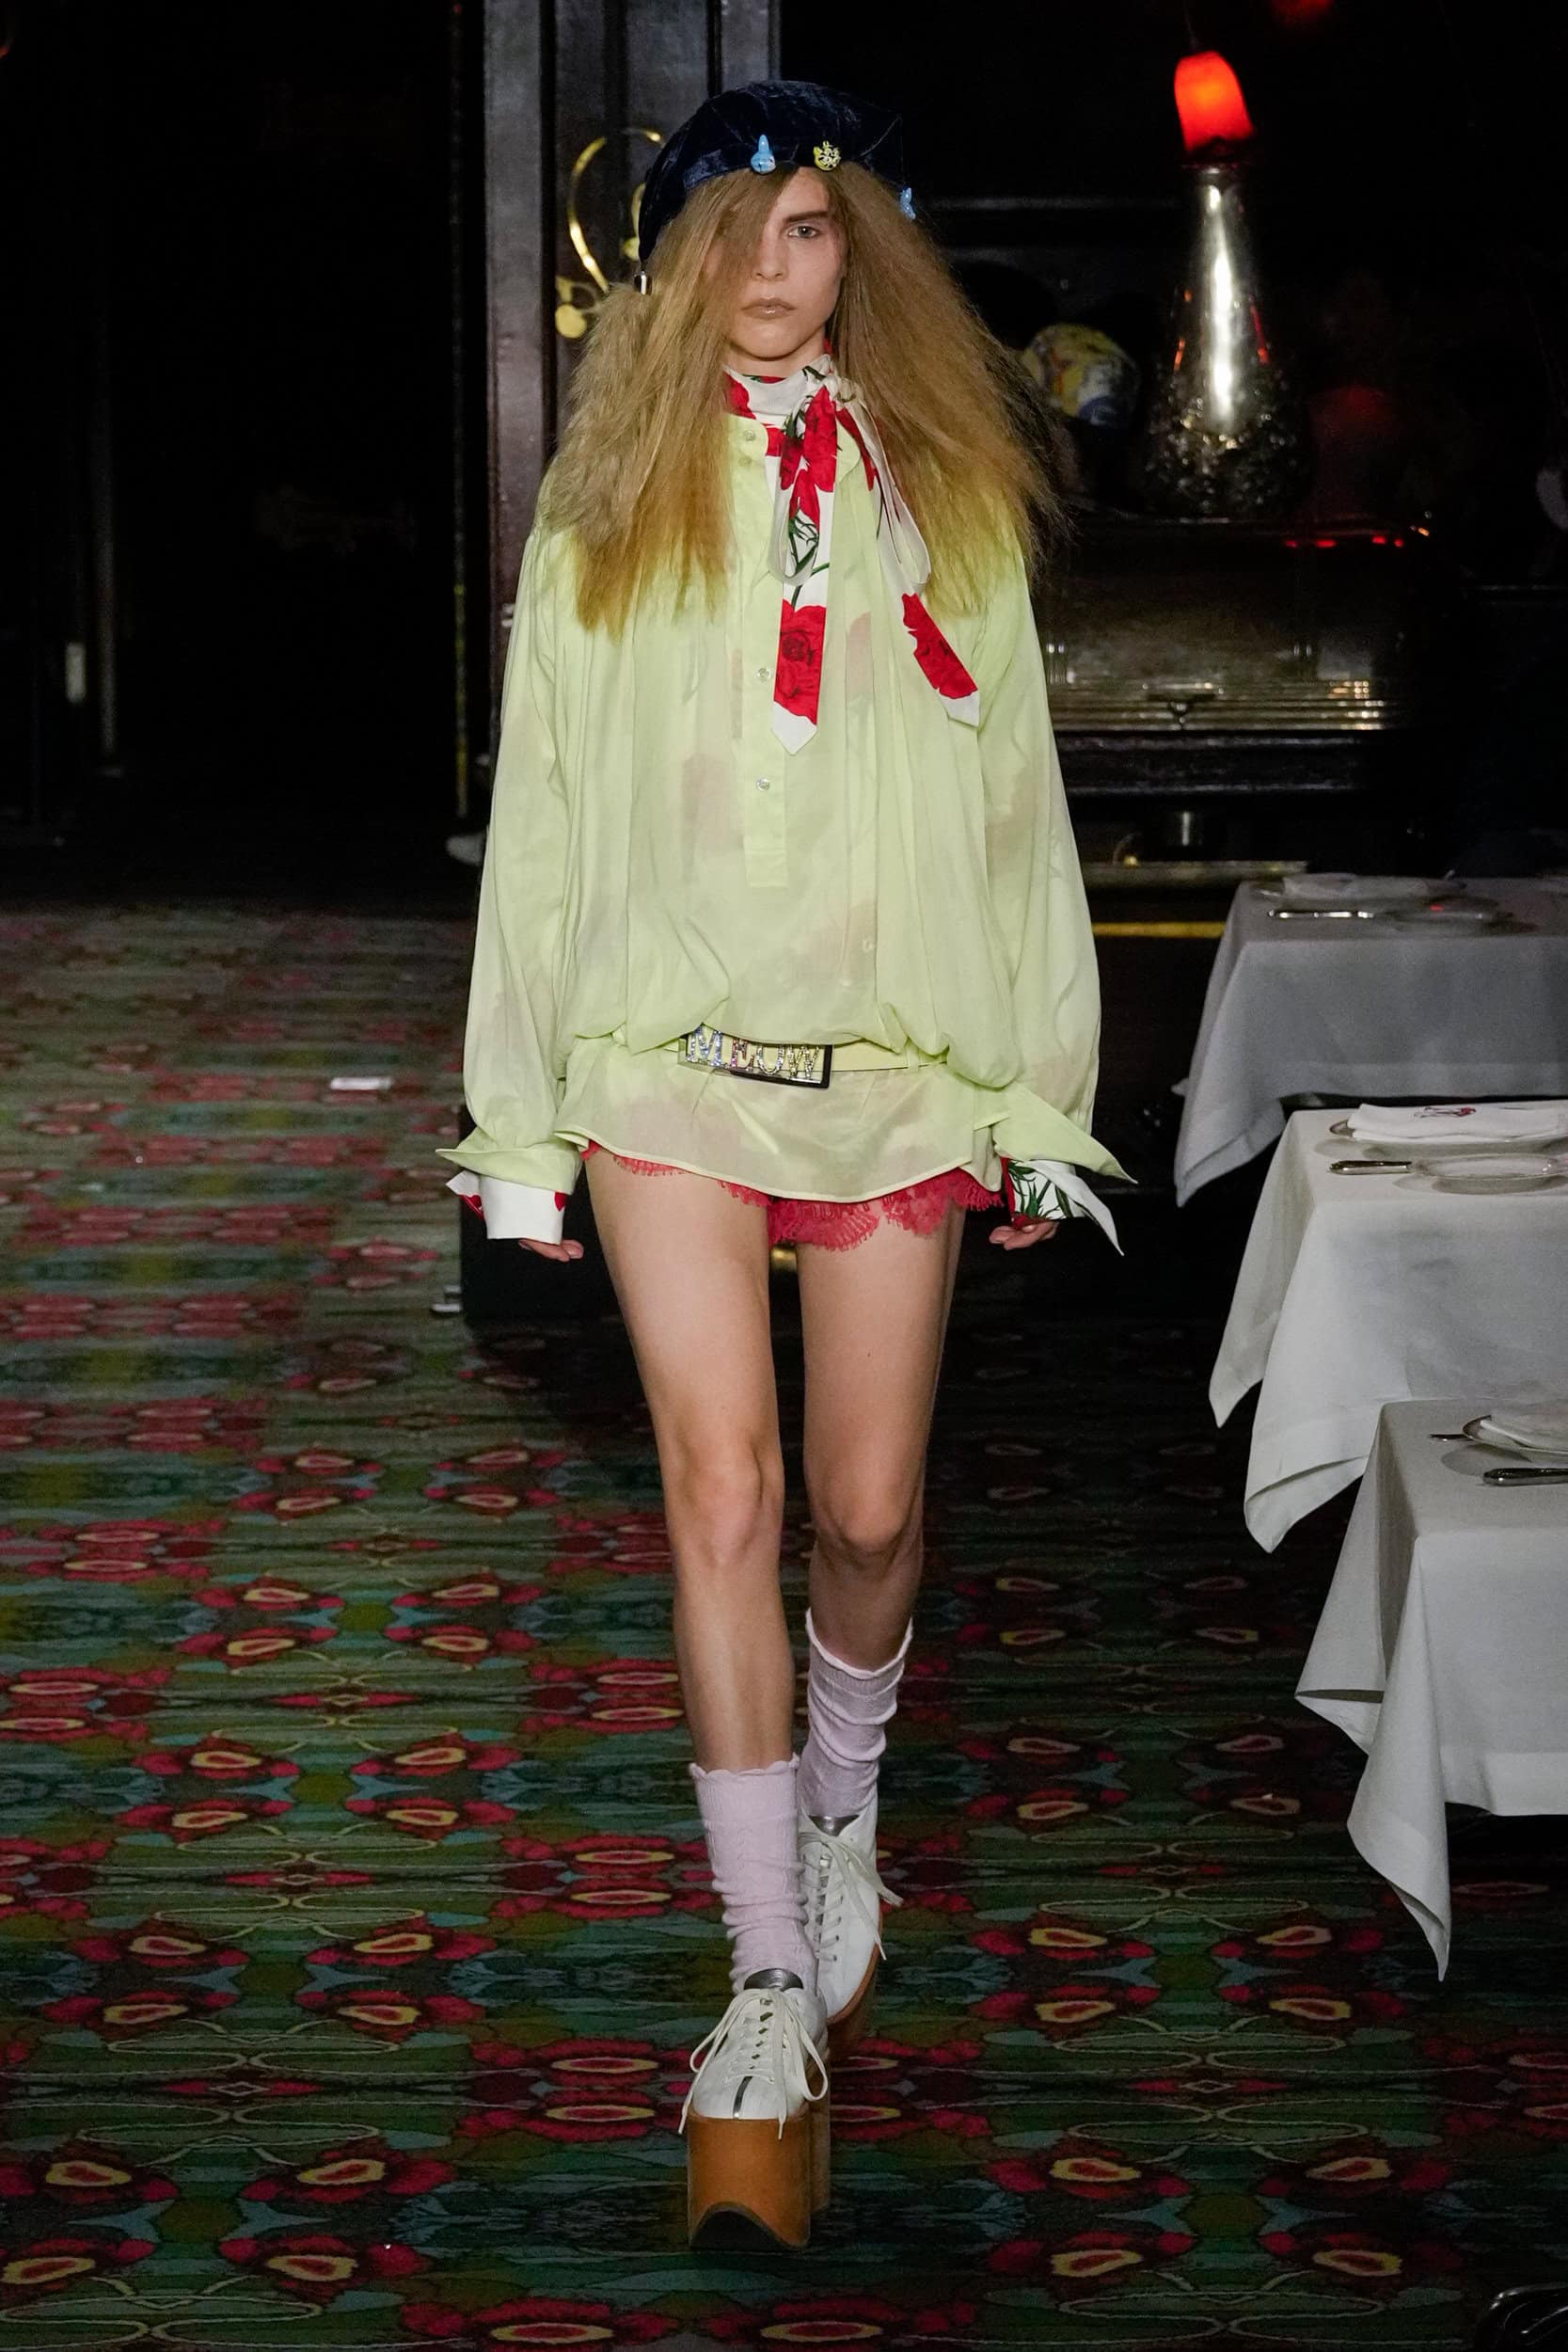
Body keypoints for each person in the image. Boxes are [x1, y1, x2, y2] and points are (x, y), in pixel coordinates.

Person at [441, 78, 1125, 2249]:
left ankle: (845, 1814)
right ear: (674, 261)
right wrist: (520, 1121)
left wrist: (1037, 1088)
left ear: (863, 252)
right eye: (734, 229)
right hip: (665, 1066)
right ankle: (757, 1975)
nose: (771, 267)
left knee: (867, 1506)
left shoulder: (949, 504)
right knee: (720, 1490)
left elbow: (1017, 813)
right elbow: (544, 830)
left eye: (811, 228)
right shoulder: (604, 510)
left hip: (897, 1065)